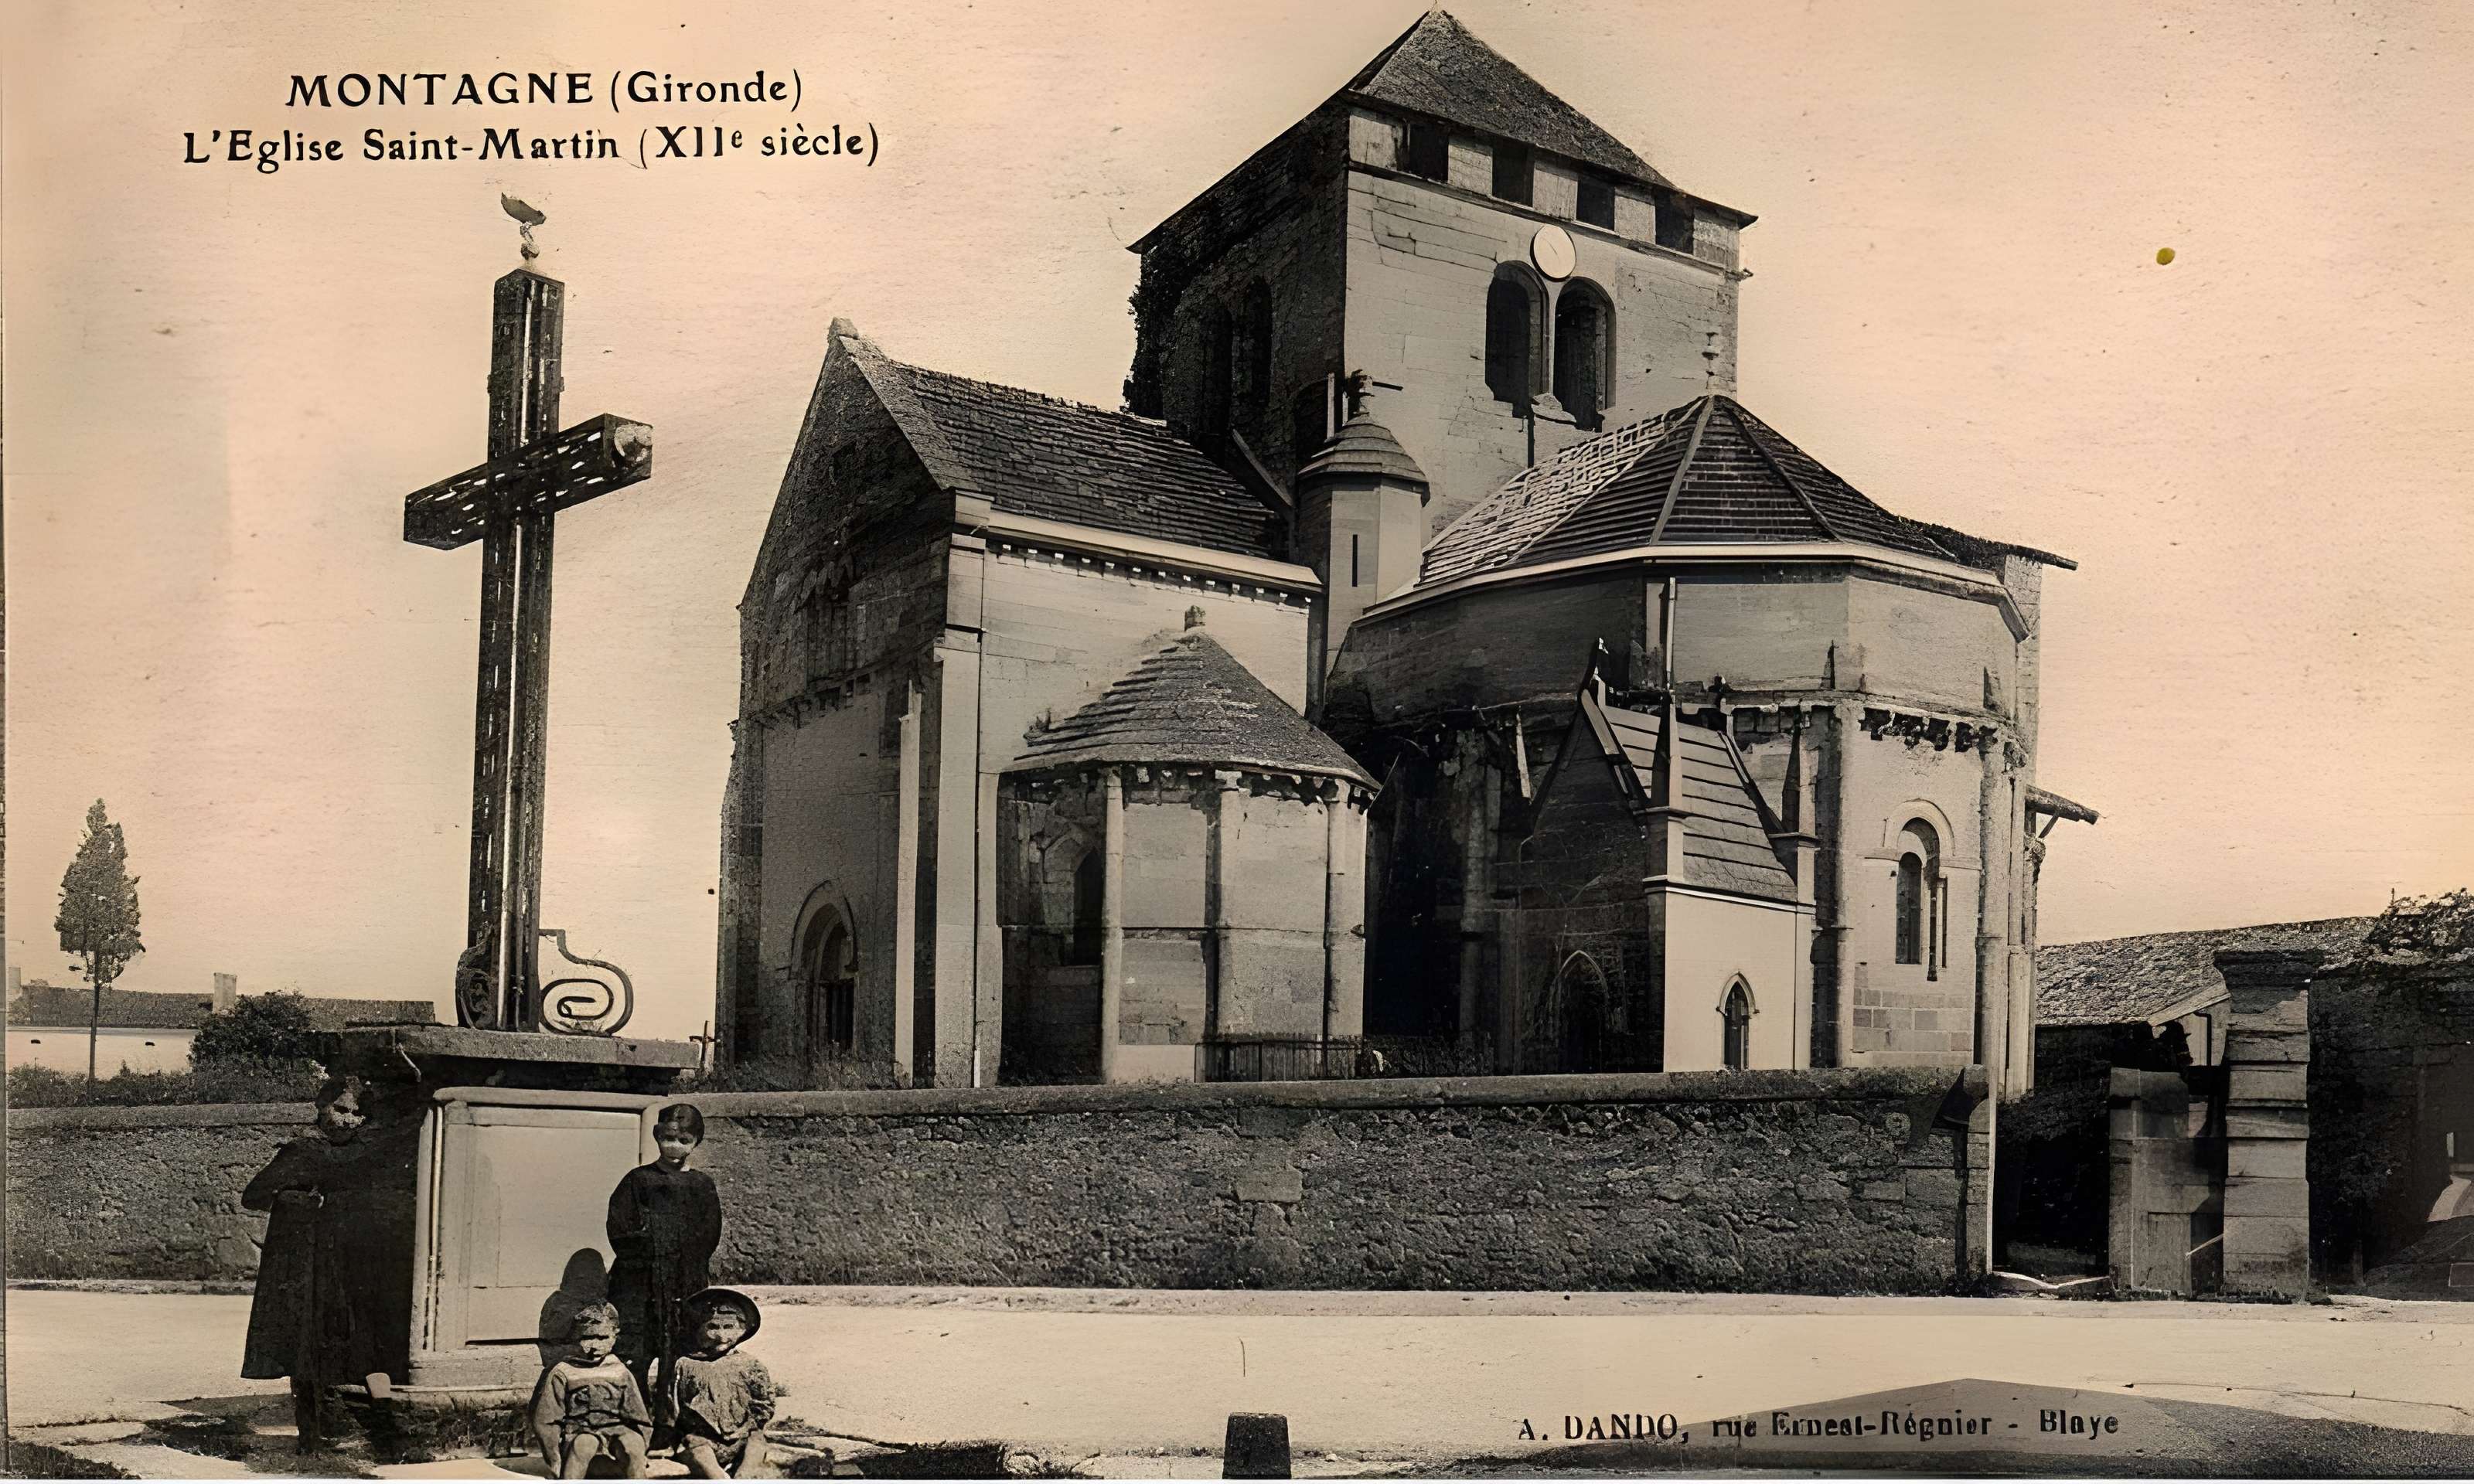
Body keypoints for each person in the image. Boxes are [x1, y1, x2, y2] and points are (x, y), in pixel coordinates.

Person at [239, 1074, 417, 1458]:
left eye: (356, 1114)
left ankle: (365, 1433)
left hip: (348, 1267)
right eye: (340, 1110)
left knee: (353, 1345)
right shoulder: (303, 1152)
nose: (348, 1121)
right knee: (305, 1347)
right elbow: (253, 1196)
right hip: (305, 1266)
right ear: (320, 1109)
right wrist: (304, 1202)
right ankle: (310, 1439)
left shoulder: (364, 1155)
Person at [606, 1102, 723, 1404]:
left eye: (684, 1140)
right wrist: (648, 1254)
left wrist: (687, 1262)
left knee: (682, 1344)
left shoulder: (701, 1185)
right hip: (640, 1280)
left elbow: (709, 1233)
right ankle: (636, 1411)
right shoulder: (639, 1180)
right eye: (668, 1139)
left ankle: (674, 1413)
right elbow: (620, 1227)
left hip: (685, 1279)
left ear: (696, 1142)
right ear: (657, 1137)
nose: (674, 1146)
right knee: (639, 1346)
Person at [530, 1302, 653, 1479]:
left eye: (602, 1338)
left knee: (631, 1446)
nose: (594, 1345)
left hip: (616, 1428)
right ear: (576, 1337)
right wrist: (554, 1458)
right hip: (579, 1430)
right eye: (588, 1337)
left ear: (615, 1335)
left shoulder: (619, 1371)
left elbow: (638, 1416)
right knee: (584, 1445)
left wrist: (642, 1447)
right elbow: (546, 1420)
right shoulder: (564, 1371)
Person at [668, 1287, 779, 1479]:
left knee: (756, 1444)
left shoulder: (750, 1365)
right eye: (712, 1327)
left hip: (743, 1434)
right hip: (702, 1437)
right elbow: (675, 1404)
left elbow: (765, 1402)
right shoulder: (685, 1364)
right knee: (697, 1449)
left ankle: (744, 1475)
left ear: (742, 1328)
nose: (721, 1336)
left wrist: (749, 1425)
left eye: (729, 1327)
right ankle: (718, 1477)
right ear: (697, 1328)